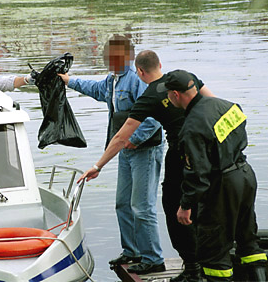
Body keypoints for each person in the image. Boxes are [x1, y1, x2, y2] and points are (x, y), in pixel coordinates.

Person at [77, 50, 215, 280]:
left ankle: (182, 265)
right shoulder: (184, 78)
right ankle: (195, 265)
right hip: (208, 150)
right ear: (160, 64)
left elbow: (121, 137)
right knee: (199, 209)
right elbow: (213, 102)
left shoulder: (150, 96)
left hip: (180, 154)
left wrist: (97, 166)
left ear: (139, 71)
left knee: (174, 210)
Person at [59, 35, 165, 274]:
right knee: (122, 204)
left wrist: (134, 140)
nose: (107, 58)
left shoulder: (138, 79)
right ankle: (132, 252)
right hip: (124, 149)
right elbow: (95, 89)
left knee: (142, 206)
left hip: (144, 151)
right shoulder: (112, 80)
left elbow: (155, 117)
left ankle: (153, 259)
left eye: (113, 55)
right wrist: (68, 81)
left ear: (126, 56)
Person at [157, 69, 267, 282]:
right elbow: (239, 128)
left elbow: (197, 173)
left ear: (175, 95)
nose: (168, 98)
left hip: (223, 185)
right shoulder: (226, 105)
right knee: (248, 240)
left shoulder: (190, 127)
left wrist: (185, 205)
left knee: (213, 252)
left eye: (168, 94)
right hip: (245, 175)